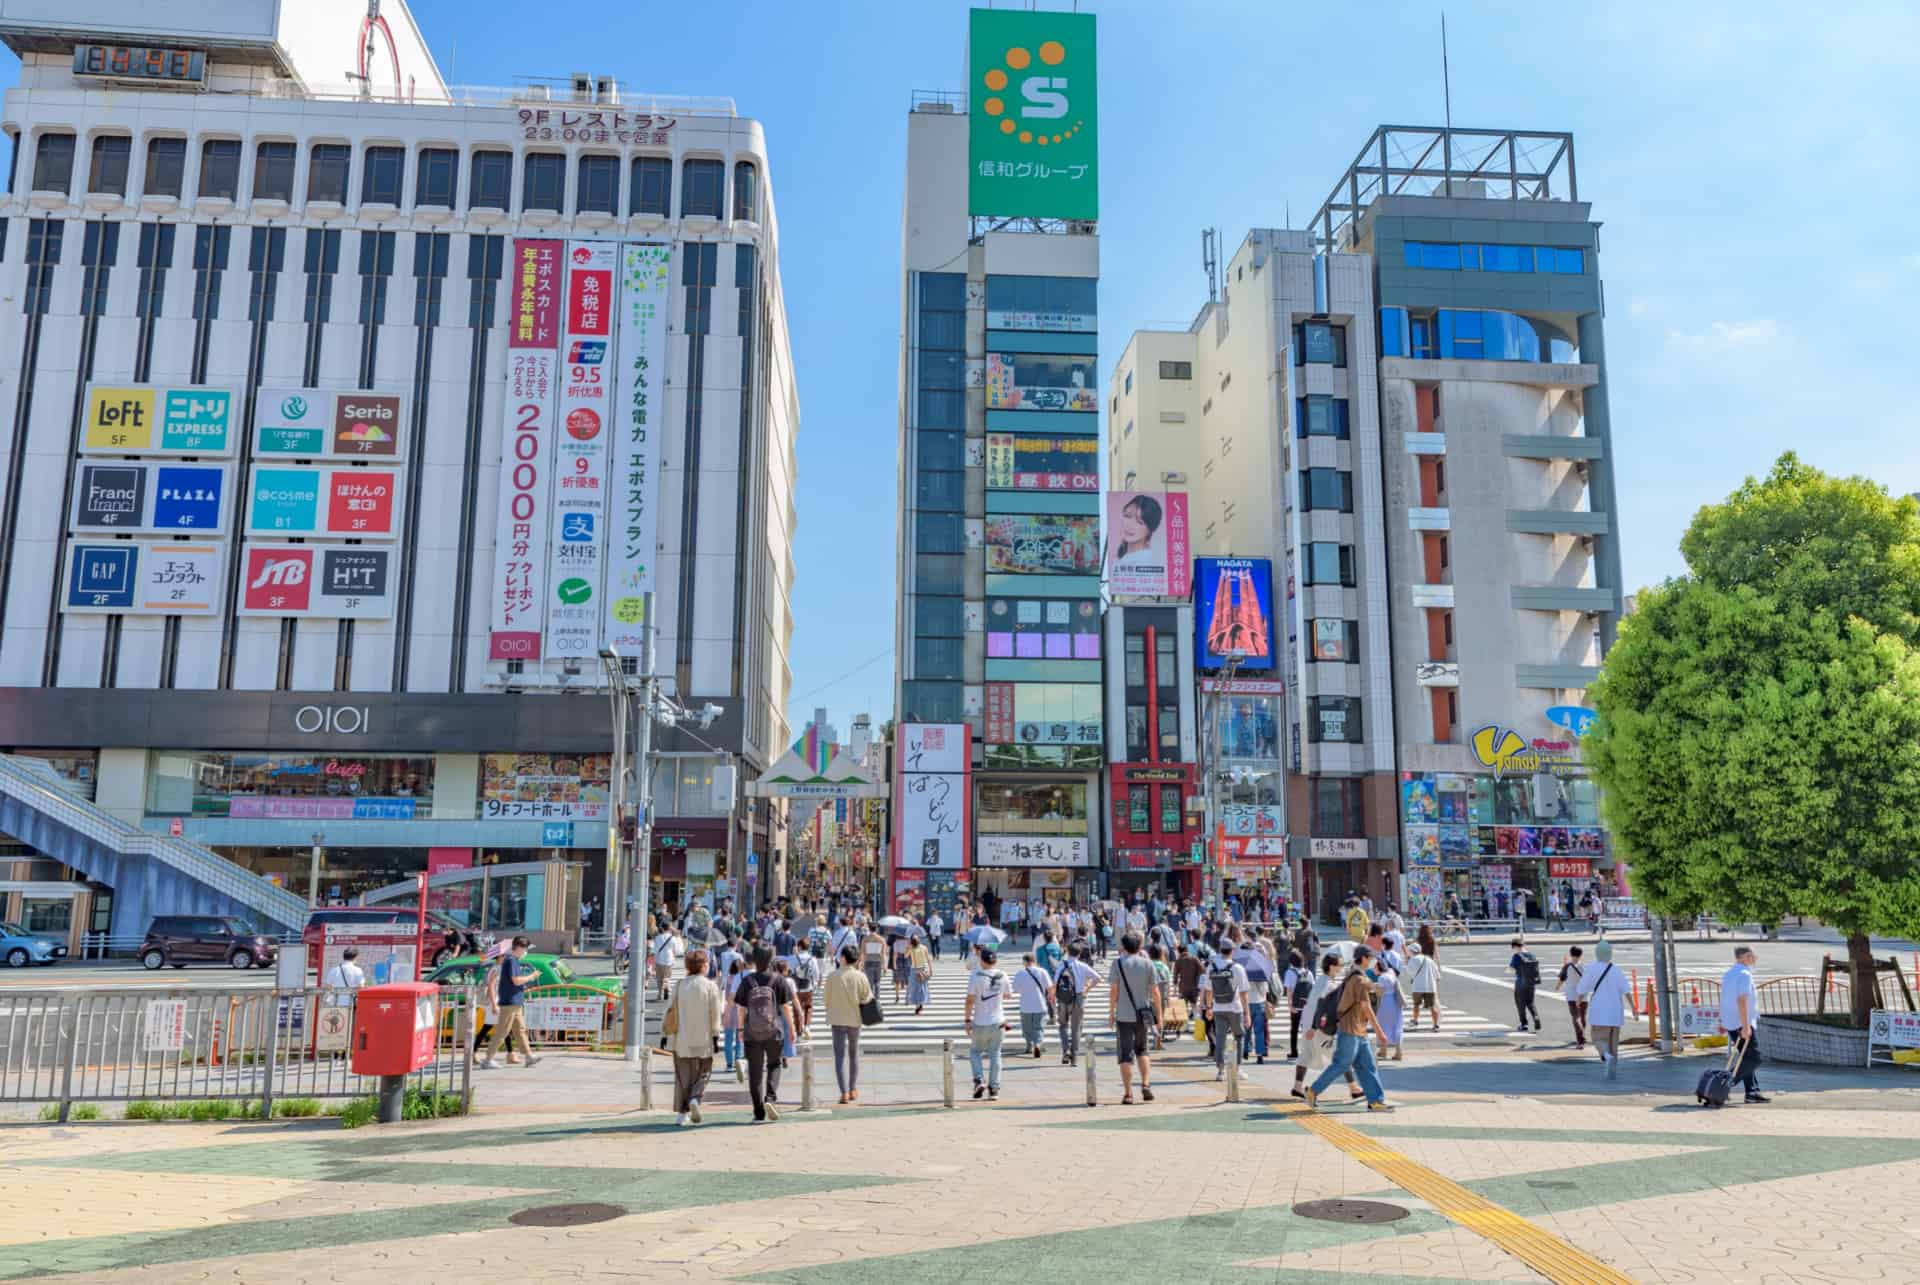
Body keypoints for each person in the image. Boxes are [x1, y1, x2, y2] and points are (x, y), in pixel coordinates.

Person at [1305, 944, 1392, 1111]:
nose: (1373, 961)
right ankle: (1313, 1090)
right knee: (1341, 1064)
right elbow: (1366, 1008)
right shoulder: (1357, 979)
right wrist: (1380, 1032)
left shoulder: (1356, 976)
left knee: (1367, 1065)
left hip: (1358, 1030)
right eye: (1371, 958)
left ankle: (1375, 1101)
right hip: (1350, 1030)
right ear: (1364, 958)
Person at [731, 945, 798, 1123]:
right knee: (774, 1064)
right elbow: (785, 1008)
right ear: (771, 960)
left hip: (752, 1032)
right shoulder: (778, 980)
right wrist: (792, 1029)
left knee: (754, 1072)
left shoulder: (747, 981)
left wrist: (740, 1030)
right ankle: (770, 1098)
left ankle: (758, 1112)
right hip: (773, 1030)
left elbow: (741, 1009)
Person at [661, 947, 722, 1127]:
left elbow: (669, 1010)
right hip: (704, 1040)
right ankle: (695, 1098)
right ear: (703, 966)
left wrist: (664, 1034)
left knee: (683, 1077)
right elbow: (715, 1014)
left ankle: (682, 1113)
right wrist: (715, 1035)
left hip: (682, 1039)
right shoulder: (711, 986)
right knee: (704, 1072)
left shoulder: (680, 985)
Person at [1293, 953, 1364, 1102]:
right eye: (1340, 965)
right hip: (1318, 1027)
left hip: (1307, 1023)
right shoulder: (1329, 985)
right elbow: (1321, 1007)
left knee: (1305, 1054)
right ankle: (1353, 1088)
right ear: (1331, 966)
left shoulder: (1321, 980)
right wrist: (1315, 1027)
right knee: (1340, 1058)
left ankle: (1297, 1087)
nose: (1341, 968)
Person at [1571, 939, 1638, 1078]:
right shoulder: (1616, 969)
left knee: (1598, 1039)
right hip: (1615, 1013)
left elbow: (1582, 988)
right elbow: (1626, 990)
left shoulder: (1592, 968)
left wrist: (1578, 999)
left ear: (1597, 953)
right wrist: (1633, 1008)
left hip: (1600, 1012)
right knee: (1614, 1045)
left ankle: (1606, 1056)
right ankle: (1611, 1073)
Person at [1107, 931, 1160, 1104]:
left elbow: (1114, 990)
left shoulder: (1117, 964)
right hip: (1142, 1014)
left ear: (1123, 947)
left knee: (1125, 1055)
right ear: (1140, 946)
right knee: (1142, 1050)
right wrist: (1159, 1016)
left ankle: (1128, 1093)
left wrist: (1111, 1012)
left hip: (1124, 1014)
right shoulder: (1148, 964)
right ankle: (1145, 1084)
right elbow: (1156, 993)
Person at [480, 936, 541, 1070]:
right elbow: (516, 980)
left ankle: (529, 1056)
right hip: (510, 1001)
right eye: (524, 949)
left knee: (520, 1030)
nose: (525, 952)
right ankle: (488, 1059)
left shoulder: (511, 960)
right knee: (502, 1031)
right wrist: (532, 976)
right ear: (519, 948)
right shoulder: (511, 961)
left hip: (514, 1000)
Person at [823, 944, 874, 1105]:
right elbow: (867, 998)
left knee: (839, 1056)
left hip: (837, 1019)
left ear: (843, 958)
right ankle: (852, 1089)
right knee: (853, 1054)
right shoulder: (861, 976)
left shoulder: (832, 976)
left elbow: (826, 1000)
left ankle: (843, 1092)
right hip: (854, 1019)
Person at [1720, 946, 1767, 1103]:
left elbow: (1726, 998)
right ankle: (1726, 1083)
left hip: (1732, 1022)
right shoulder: (1744, 974)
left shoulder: (1729, 973)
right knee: (1755, 1058)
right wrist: (1746, 1026)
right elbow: (1742, 1000)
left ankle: (1752, 1092)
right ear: (1744, 957)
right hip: (1742, 1022)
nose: (1754, 958)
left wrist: (1723, 1020)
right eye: (1752, 955)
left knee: (1746, 1057)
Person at [1200, 943, 1249, 1081]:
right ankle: (1238, 1069)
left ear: (1220, 951)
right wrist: (1247, 1013)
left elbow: (1208, 990)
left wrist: (1209, 1007)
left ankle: (1220, 1071)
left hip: (1218, 1007)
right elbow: (1244, 993)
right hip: (1235, 1008)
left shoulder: (1211, 967)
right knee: (1238, 1037)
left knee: (1220, 1038)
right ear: (1232, 951)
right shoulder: (1238, 968)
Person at [965, 947, 1009, 1100]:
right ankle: (994, 1089)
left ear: (981, 960)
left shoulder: (975, 975)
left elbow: (969, 1001)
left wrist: (967, 1020)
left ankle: (979, 1080)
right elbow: (1008, 995)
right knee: (995, 1053)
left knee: (975, 1052)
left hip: (980, 1021)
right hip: (998, 1021)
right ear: (995, 960)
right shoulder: (1003, 975)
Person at [1011, 951, 1053, 1058]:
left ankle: (1029, 1045)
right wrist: (1050, 997)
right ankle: (1037, 1044)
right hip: (1040, 1004)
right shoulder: (1042, 971)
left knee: (1027, 1028)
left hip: (1025, 1005)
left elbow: (1015, 989)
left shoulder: (1020, 973)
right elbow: (1049, 987)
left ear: (1024, 962)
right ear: (1034, 961)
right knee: (1038, 1027)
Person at [1403, 941, 1441, 1032]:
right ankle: (1436, 1024)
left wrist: (1406, 962)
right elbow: (1437, 975)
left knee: (1416, 1005)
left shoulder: (1413, 960)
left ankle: (1415, 1020)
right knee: (1432, 1006)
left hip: (1418, 986)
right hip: (1430, 986)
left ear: (1412, 951)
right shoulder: (1429, 960)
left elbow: (1409, 972)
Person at [1509, 937, 1543, 1032]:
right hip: (1531, 983)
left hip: (1520, 983)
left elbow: (1511, 969)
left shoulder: (1517, 956)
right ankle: (1536, 1018)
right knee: (1531, 1003)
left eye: (1513, 948)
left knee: (1520, 1004)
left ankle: (1524, 1024)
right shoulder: (1532, 955)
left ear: (1515, 947)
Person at [1558, 945, 1589, 1048]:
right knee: (1583, 1017)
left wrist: (1557, 987)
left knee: (1576, 1018)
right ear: (1581, 955)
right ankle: (1582, 1037)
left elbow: (1562, 978)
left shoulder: (1567, 966)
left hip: (1572, 995)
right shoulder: (1585, 966)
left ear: (1571, 954)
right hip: (1584, 995)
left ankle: (1580, 1041)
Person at [792, 940, 822, 1029]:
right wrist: (815, 983)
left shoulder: (793, 958)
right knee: (808, 1008)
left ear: (799, 947)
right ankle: (806, 1027)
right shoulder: (812, 959)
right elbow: (816, 974)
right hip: (808, 987)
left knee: (796, 1009)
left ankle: (799, 1031)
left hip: (796, 988)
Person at [907, 933, 933, 1014]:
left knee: (918, 988)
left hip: (917, 969)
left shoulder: (915, 948)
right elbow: (928, 959)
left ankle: (919, 1005)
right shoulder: (922, 947)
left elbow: (905, 956)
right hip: (921, 969)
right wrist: (931, 969)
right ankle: (920, 1004)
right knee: (920, 988)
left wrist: (908, 947)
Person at [862, 926, 887, 998]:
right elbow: (883, 954)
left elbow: (863, 953)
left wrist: (862, 964)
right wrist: (884, 966)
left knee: (870, 982)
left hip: (868, 961)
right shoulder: (881, 939)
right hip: (878, 961)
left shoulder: (865, 939)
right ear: (877, 929)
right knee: (877, 982)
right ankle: (877, 998)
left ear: (869, 929)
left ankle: (870, 998)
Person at [890, 932, 912, 1004]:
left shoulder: (896, 943)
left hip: (898, 960)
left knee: (897, 980)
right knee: (908, 980)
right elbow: (908, 953)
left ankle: (897, 997)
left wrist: (894, 964)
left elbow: (895, 954)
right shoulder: (908, 942)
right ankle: (907, 998)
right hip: (907, 960)